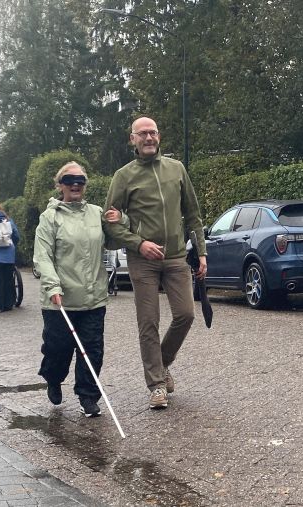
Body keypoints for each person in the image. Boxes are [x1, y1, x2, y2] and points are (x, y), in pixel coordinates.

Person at [104, 116, 207, 410]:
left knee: (186, 315)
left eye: (152, 133)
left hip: (175, 257)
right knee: (148, 322)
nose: (148, 138)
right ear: (132, 139)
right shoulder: (123, 176)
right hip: (142, 261)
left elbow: (193, 214)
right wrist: (139, 243)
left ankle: (161, 365)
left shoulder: (176, 169)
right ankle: (156, 385)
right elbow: (110, 222)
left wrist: (201, 252)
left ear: (159, 137)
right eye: (142, 134)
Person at [33, 161, 122, 417]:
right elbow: (43, 256)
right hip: (60, 300)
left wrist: (120, 220)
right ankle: (53, 377)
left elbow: (115, 241)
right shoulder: (50, 218)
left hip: (93, 298)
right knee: (58, 349)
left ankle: (88, 397)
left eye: (81, 180)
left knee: (92, 350)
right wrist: (52, 285)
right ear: (60, 185)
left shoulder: (96, 213)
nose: (75, 184)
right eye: (70, 180)